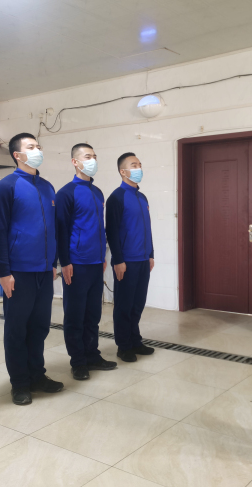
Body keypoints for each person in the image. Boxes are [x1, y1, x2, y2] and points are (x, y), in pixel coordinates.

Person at [0, 133, 64, 406]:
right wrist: (4, 272)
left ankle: (37, 376)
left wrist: (53, 263)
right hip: (18, 271)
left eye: (38, 146)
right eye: (31, 147)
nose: (37, 150)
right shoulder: (6, 187)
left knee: (39, 327)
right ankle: (20, 383)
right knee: (17, 330)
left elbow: (52, 229)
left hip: (44, 270)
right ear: (17, 155)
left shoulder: (47, 187)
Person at [56, 143, 117, 380]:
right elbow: (61, 230)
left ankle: (92, 355)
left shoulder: (97, 192)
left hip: (95, 263)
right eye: (87, 156)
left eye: (94, 156)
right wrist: (65, 262)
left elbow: (98, 228)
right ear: (75, 161)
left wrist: (102, 257)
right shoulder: (66, 193)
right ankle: (78, 361)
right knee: (75, 315)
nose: (92, 160)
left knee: (93, 314)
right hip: (76, 263)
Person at [105, 152, 155, 362]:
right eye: (134, 165)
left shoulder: (142, 197)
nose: (138, 168)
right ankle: (123, 346)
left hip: (143, 259)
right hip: (127, 261)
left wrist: (151, 254)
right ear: (123, 171)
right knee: (124, 305)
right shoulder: (117, 197)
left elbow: (147, 228)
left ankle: (135, 340)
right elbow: (112, 232)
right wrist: (118, 260)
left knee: (137, 304)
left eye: (140, 164)